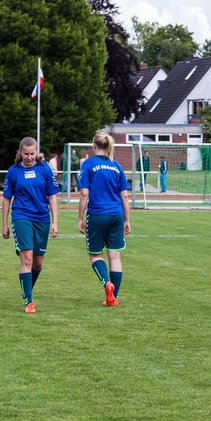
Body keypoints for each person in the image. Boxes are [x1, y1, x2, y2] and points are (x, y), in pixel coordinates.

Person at [2, 137, 60, 314]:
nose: (29, 157)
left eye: (32, 154)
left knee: (38, 262)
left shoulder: (45, 170)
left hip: (42, 218)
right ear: (20, 153)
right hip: (21, 216)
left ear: (37, 152)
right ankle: (29, 301)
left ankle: (26, 289)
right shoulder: (13, 172)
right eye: (26, 154)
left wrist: (55, 221)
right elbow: (6, 198)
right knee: (26, 259)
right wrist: (4, 223)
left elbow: (51, 196)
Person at [78, 130, 131, 306]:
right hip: (116, 214)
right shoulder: (116, 166)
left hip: (97, 214)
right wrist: (126, 220)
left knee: (95, 255)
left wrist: (80, 217)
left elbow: (84, 194)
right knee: (114, 256)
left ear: (94, 145)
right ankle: (113, 297)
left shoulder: (88, 164)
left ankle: (107, 283)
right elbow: (124, 196)